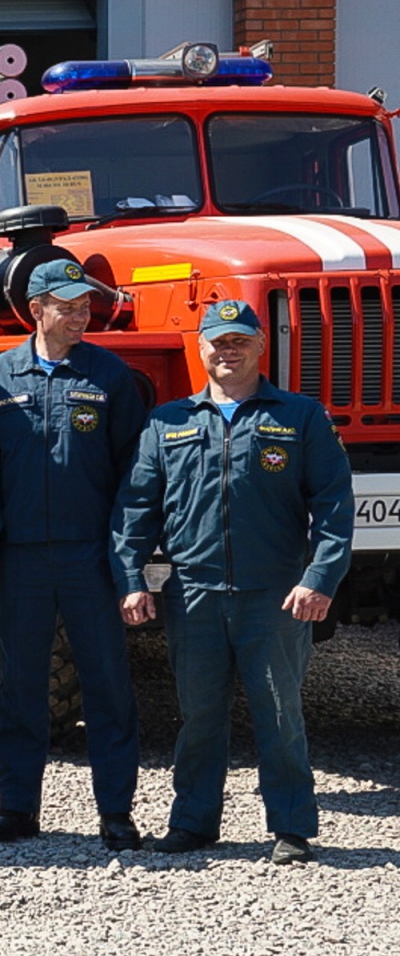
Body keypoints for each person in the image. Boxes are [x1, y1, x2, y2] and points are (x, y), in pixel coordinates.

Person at [113, 300, 352, 864]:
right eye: (218, 342)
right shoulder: (168, 421)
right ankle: (194, 823)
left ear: (260, 346)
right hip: (192, 593)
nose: (228, 351)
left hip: (276, 594)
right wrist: (131, 578)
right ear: (201, 348)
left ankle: (291, 826)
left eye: (239, 341)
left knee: (279, 711)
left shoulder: (300, 417)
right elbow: (135, 509)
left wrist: (320, 577)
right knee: (198, 714)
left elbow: (336, 506)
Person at [0, 260, 148, 851]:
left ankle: (116, 814)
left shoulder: (110, 375)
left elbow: (133, 476)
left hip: (90, 557)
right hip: (20, 559)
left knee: (107, 686)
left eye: (85, 307)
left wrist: (129, 561)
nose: (80, 316)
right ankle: (17, 809)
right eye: (67, 306)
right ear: (37, 309)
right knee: (21, 687)